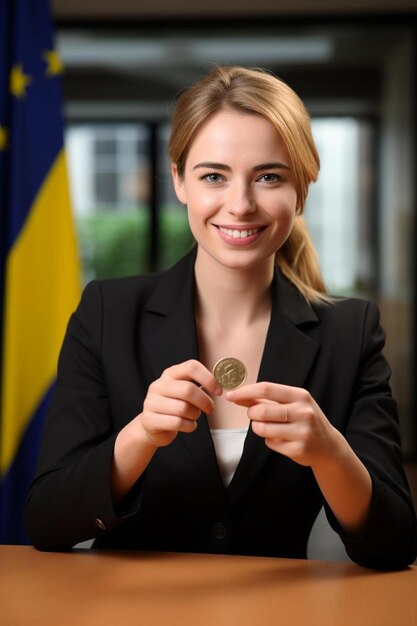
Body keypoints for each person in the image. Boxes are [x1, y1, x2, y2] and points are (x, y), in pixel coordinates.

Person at [25, 66, 417, 569]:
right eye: (214, 175)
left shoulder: (351, 332)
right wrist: (140, 435)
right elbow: (47, 522)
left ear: (303, 187)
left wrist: (330, 453)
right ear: (178, 180)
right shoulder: (106, 313)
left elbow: (396, 545)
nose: (240, 205)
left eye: (269, 176)